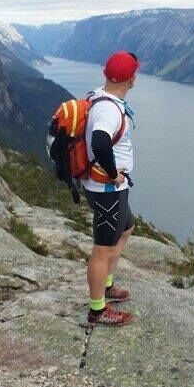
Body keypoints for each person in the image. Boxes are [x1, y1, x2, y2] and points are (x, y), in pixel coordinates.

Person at [83, 50, 140, 327]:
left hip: (113, 189)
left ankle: (106, 286)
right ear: (131, 78)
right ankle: (97, 309)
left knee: (126, 228)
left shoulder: (101, 98)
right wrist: (112, 172)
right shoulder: (108, 108)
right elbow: (100, 142)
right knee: (102, 250)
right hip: (107, 190)